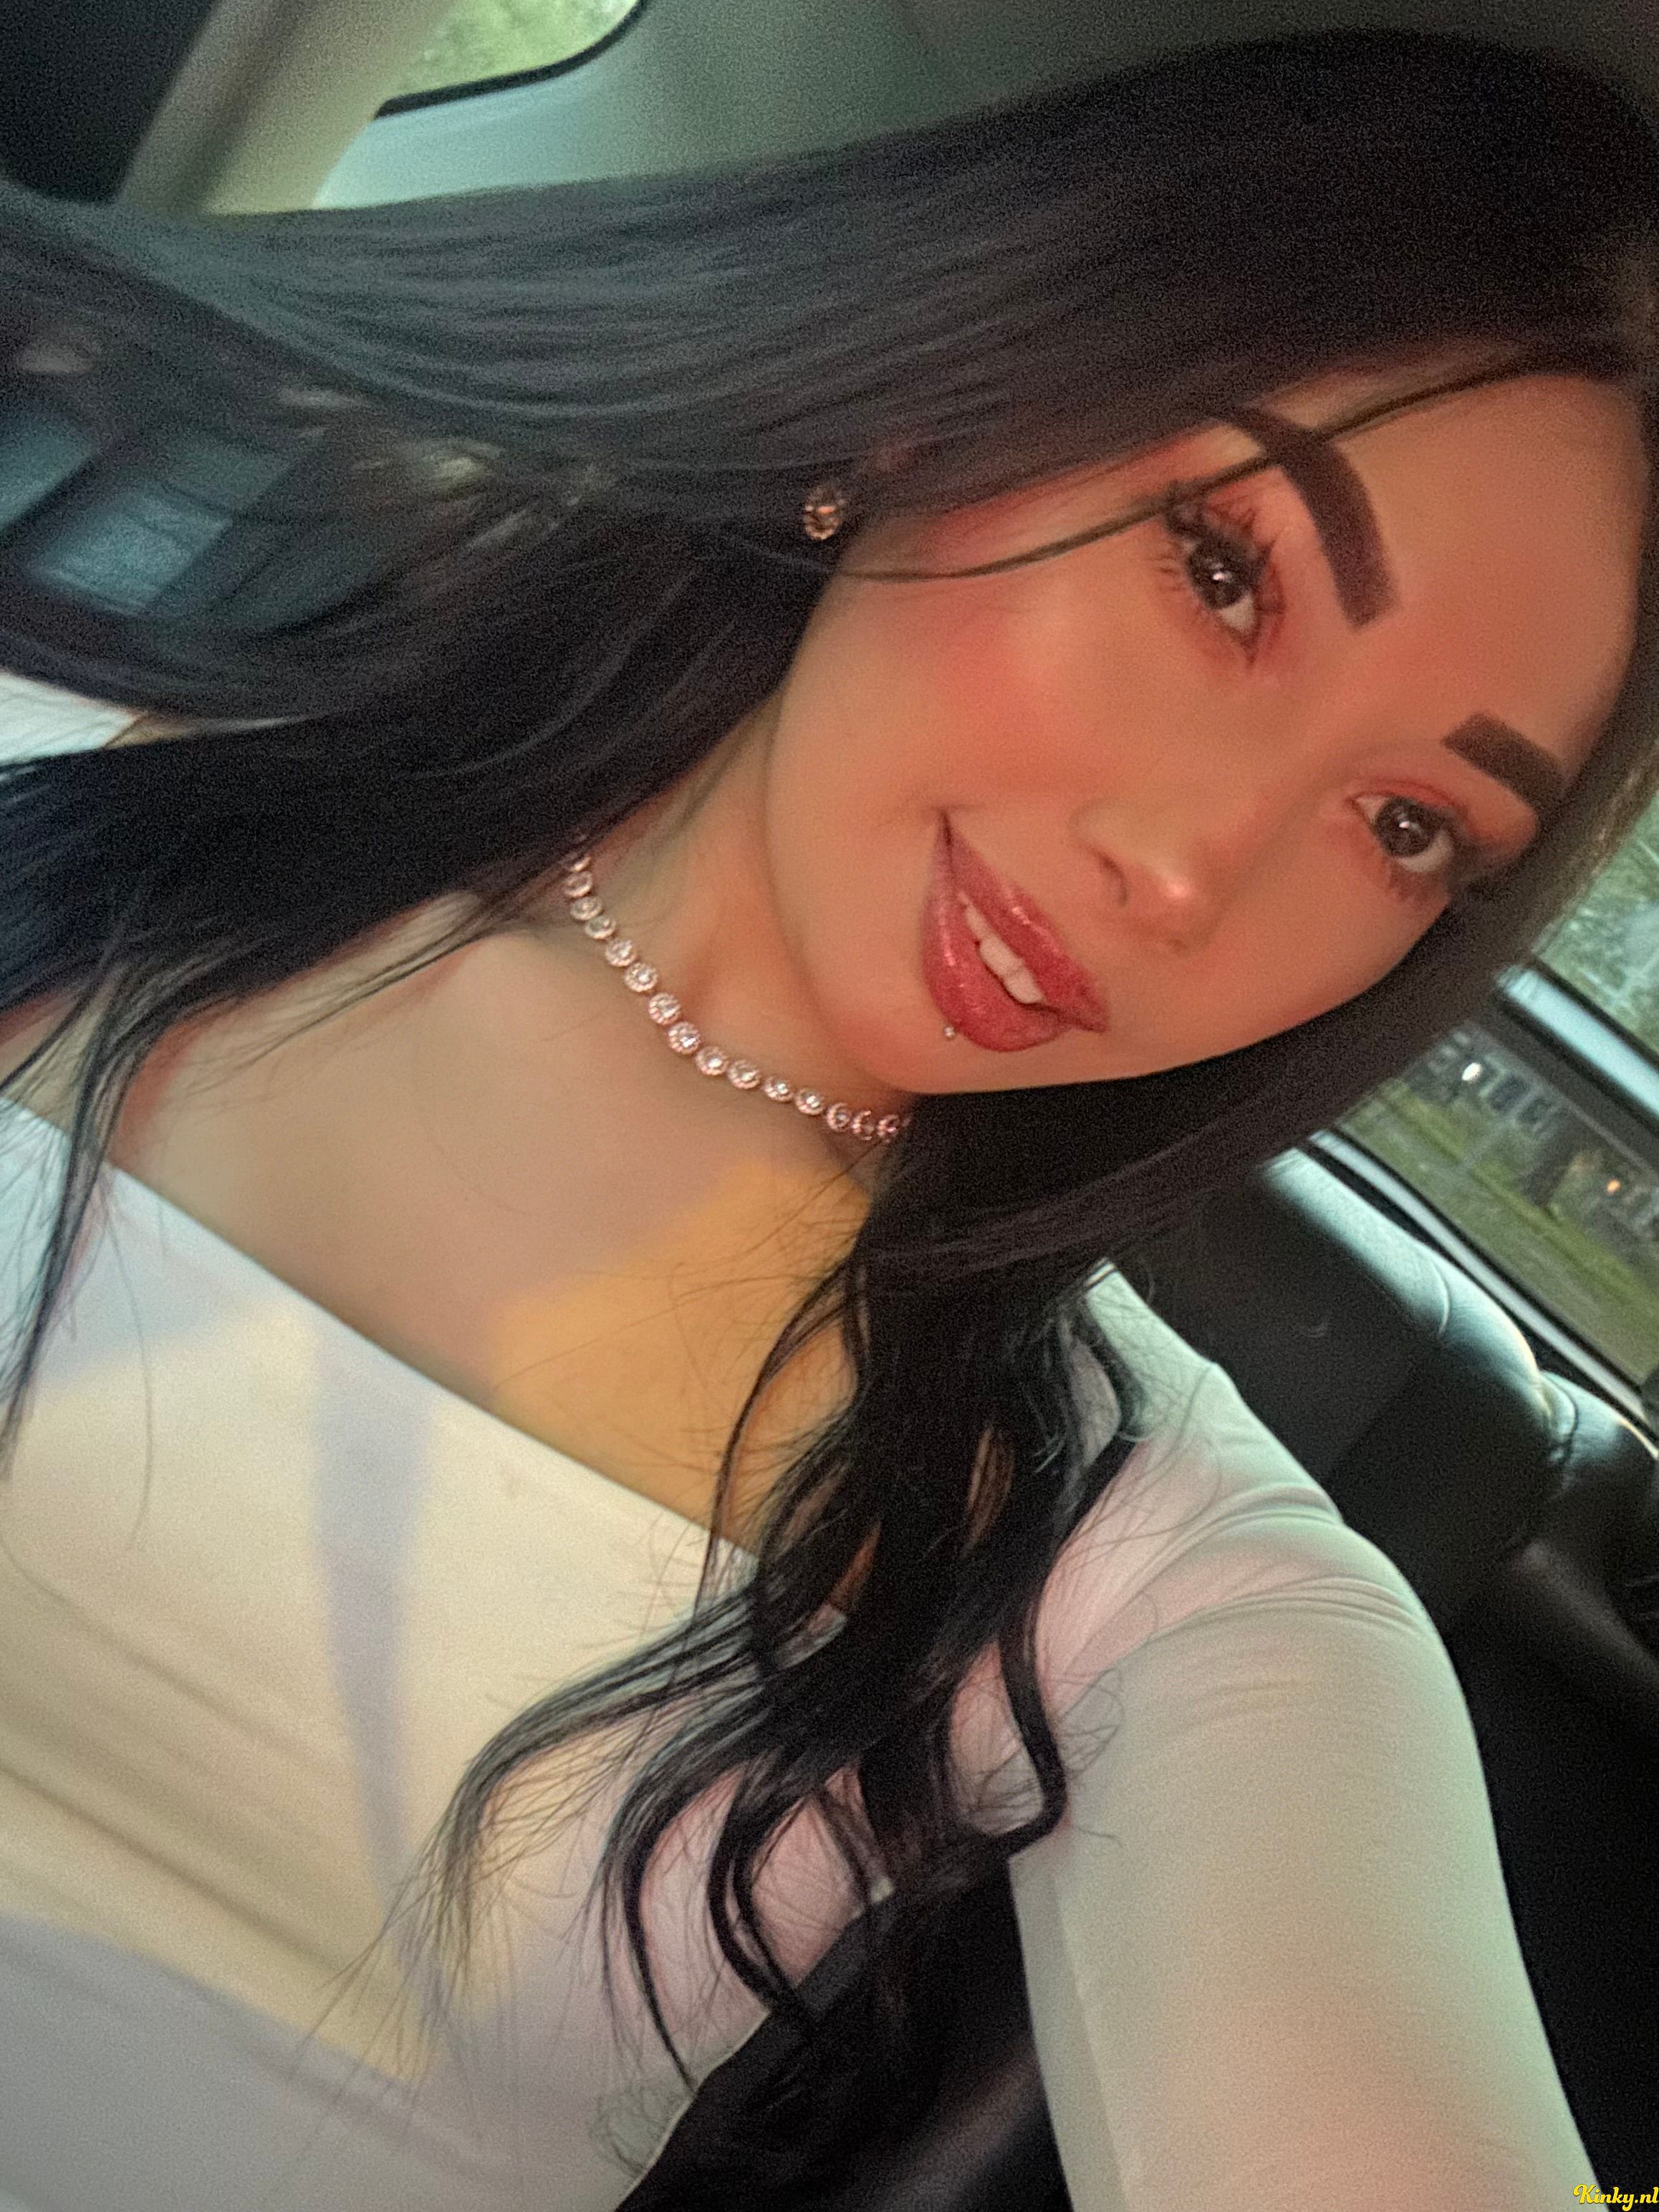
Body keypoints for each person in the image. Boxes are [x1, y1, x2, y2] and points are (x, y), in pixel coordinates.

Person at [0, 19, 1654, 2211]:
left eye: (1405, 823)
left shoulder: (1162, 1584)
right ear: (938, 403)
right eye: (1221, 569)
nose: (1189, 872)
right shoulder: (67, 729)